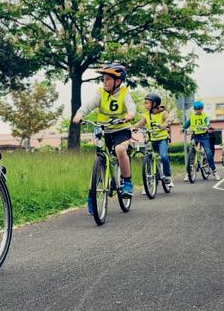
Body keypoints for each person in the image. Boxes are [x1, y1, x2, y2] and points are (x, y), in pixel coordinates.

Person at [72, 63, 136, 213]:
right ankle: (92, 197)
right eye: (103, 79)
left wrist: (130, 114)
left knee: (120, 150)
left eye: (107, 79)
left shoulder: (124, 92)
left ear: (117, 81)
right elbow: (88, 105)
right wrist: (80, 114)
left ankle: (127, 182)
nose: (104, 82)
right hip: (103, 130)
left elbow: (131, 106)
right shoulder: (100, 93)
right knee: (99, 161)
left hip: (121, 129)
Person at [132, 93, 174, 187]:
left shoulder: (163, 113)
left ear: (154, 104)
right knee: (148, 158)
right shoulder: (146, 115)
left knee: (163, 156)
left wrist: (163, 125)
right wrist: (133, 127)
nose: (145, 105)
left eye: (147, 103)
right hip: (151, 139)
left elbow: (169, 120)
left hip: (162, 139)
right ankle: (149, 181)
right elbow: (140, 123)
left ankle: (168, 176)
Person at [182, 100, 220, 181]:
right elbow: (186, 124)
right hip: (194, 136)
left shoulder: (205, 116)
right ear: (194, 109)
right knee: (191, 153)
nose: (198, 110)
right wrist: (183, 128)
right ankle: (188, 173)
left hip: (204, 137)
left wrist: (206, 126)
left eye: (199, 109)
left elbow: (207, 122)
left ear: (202, 109)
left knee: (209, 153)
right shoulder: (192, 116)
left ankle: (214, 171)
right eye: (196, 109)